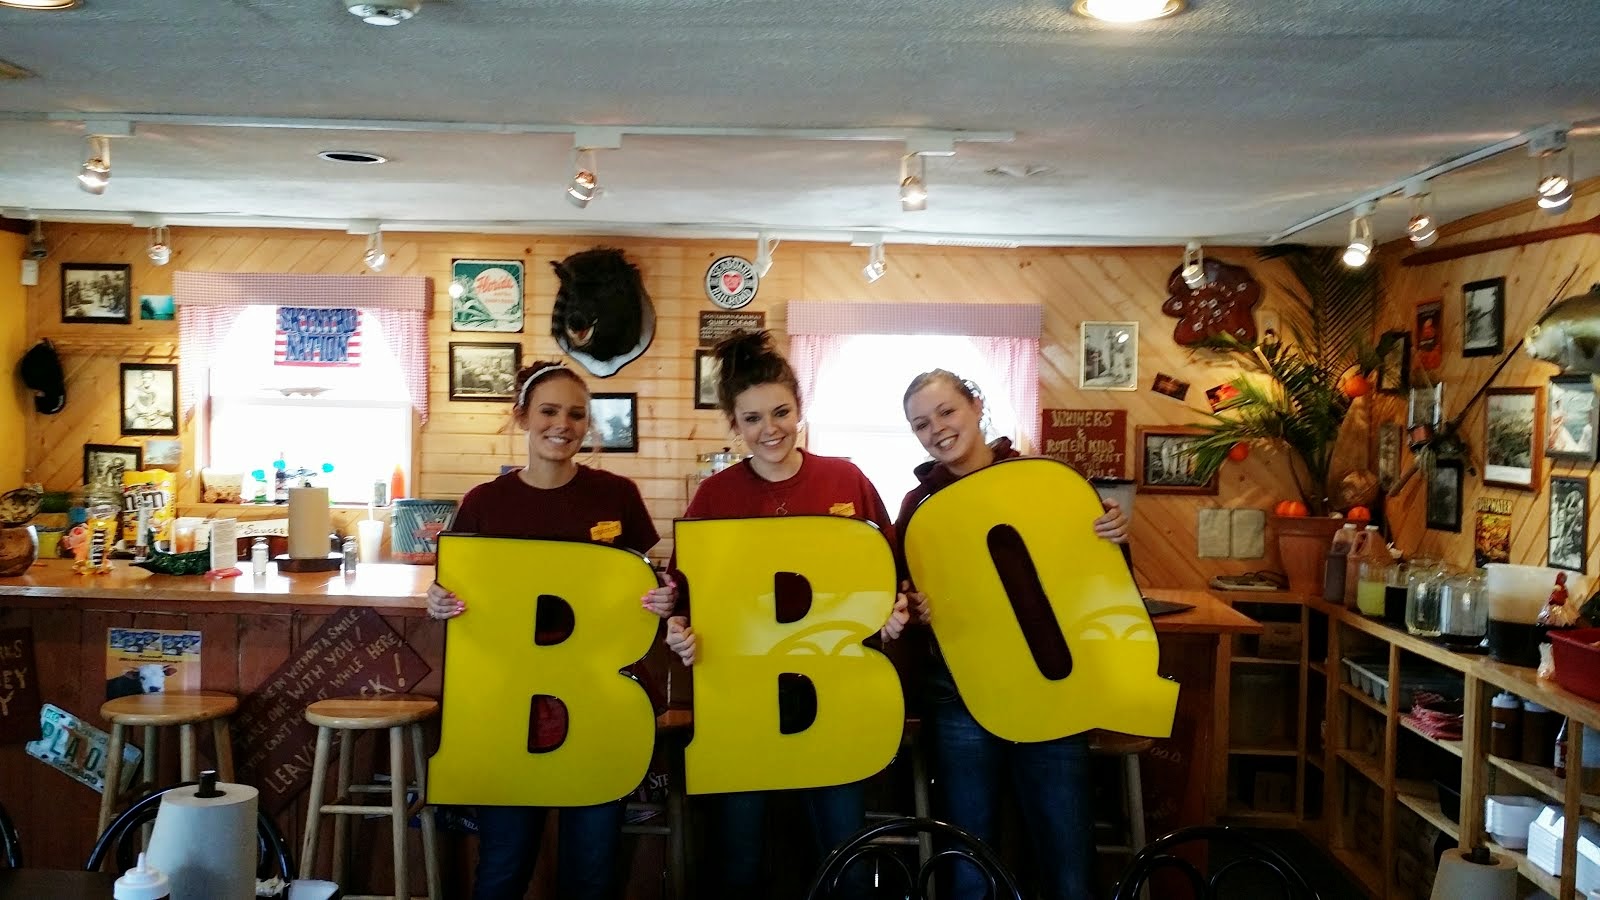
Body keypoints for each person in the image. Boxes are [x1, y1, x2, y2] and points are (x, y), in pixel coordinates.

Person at [663, 330, 909, 897]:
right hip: (744, 697)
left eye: (780, 412)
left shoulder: (846, 480)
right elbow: (683, 593)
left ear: (799, 409)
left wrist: (894, 608)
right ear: (734, 424)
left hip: (837, 690)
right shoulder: (716, 496)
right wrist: (677, 627)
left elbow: (890, 572)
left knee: (843, 852)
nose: (769, 429)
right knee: (742, 855)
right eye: (752, 418)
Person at [425, 360, 677, 900]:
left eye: (576, 414)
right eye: (549, 411)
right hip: (509, 706)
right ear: (522, 418)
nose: (562, 424)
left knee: (592, 871)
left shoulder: (616, 495)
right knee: (504, 865)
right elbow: (456, 589)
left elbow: (646, 579)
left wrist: (663, 595)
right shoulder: (485, 502)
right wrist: (438, 599)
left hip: (600, 701)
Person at [896, 368, 1129, 900]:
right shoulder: (917, 505)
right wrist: (915, 606)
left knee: (1066, 850)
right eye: (921, 424)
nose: (937, 429)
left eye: (947, 411)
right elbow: (907, 591)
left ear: (976, 406)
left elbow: (1090, 573)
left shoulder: (1043, 481)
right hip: (961, 691)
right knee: (968, 852)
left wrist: (1111, 534)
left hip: (1050, 678)